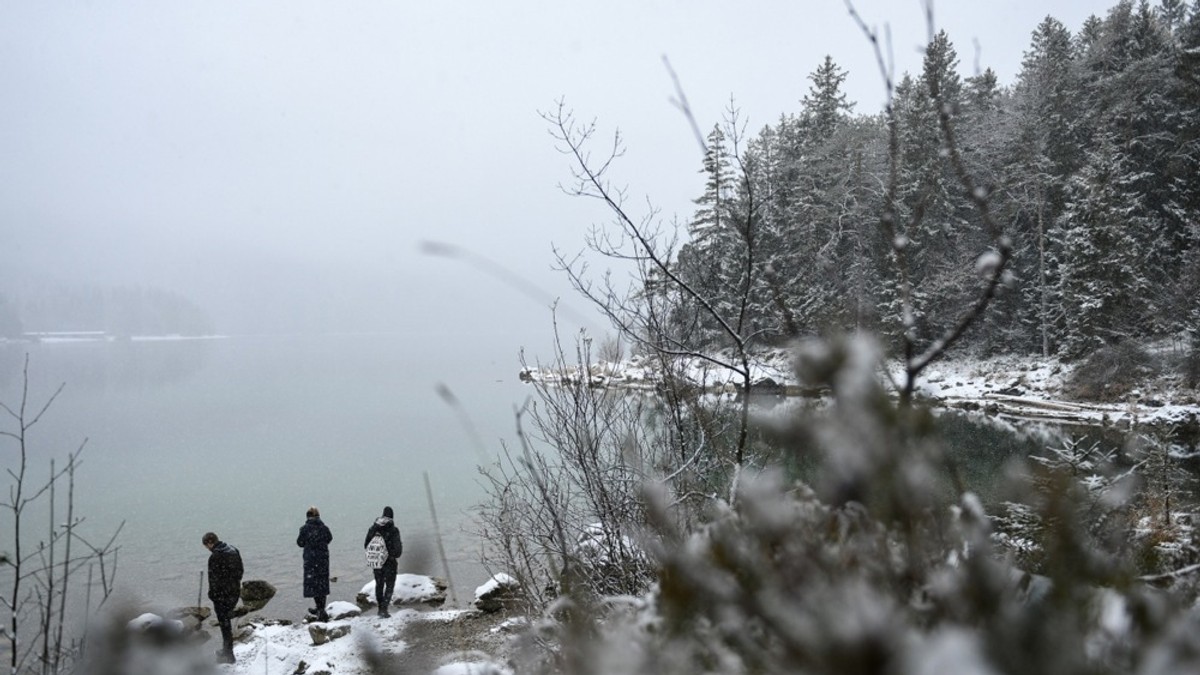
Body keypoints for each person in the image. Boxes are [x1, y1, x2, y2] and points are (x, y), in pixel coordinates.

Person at [202, 531, 244, 664]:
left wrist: (212, 595)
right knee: (226, 622)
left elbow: (213, 580)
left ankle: (229, 655)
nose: (207, 549)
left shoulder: (215, 557)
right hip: (234, 592)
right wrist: (234, 585)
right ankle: (226, 649)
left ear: (209, 543)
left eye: (206, 546)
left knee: (224, 625)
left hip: (222, 596)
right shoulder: (233, 549)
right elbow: (240, 571)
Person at [363, 506, 403, 617]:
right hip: (390, 562)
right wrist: (392, 554)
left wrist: (377, 552)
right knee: (390, 586)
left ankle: (380, 608)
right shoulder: (393, 530)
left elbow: (366, 545)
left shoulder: (373, 528)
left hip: (377, 562)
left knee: (379, 585)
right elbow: (398, 550)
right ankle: (384, 609)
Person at [296, 506, 333, 622]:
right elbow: (329, 539)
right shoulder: (324, 528)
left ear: (308, 516)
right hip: (322, 560)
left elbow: (300, 543)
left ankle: (320, 609)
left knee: (314, 584)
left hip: (311, 561)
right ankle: (321, 608)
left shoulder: (305, 529)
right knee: (322, 583)